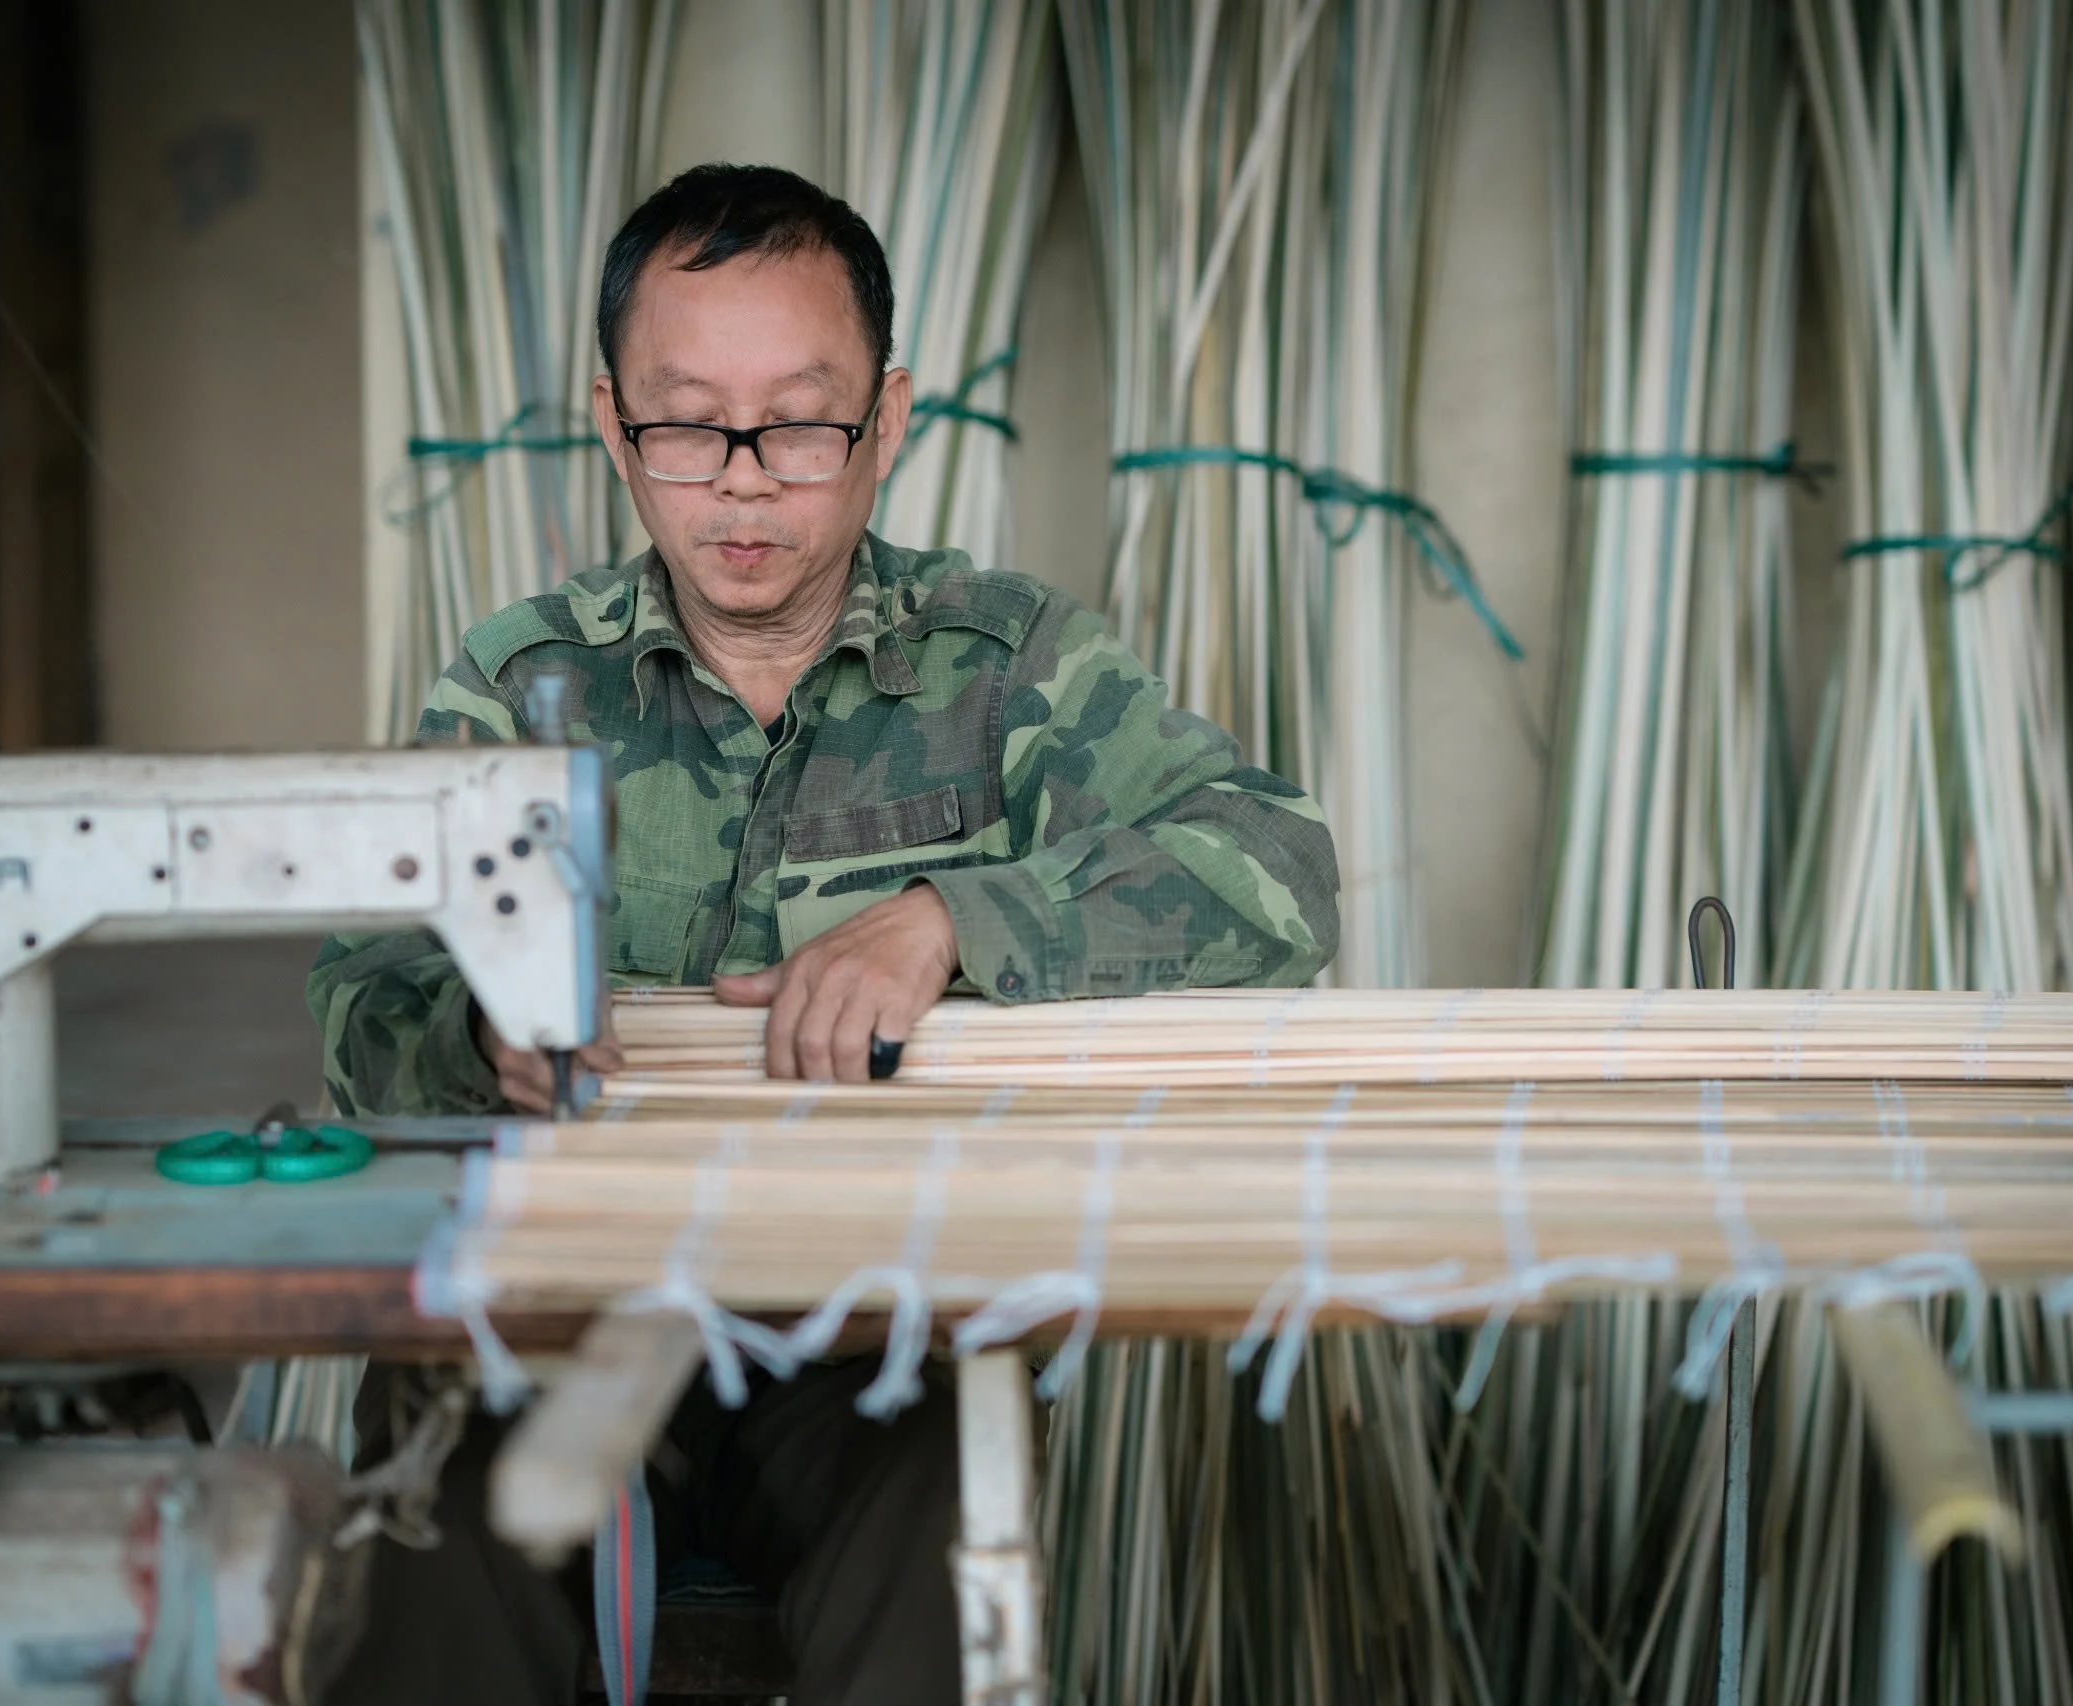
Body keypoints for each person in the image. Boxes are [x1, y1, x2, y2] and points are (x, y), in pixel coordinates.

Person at [308, 161, 1341, 1705]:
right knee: (434, 1518)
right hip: (562, 1310)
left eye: (799, 423)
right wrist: (475, 1034)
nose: (742, 480)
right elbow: (361, 983)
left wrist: (952, 919)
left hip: (873, 1331)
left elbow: (1280, 867)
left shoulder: (1007, 668)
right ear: (613, 425)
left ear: (889, 419)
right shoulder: (526, 682)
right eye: (685, 423)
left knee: (940, 1513)